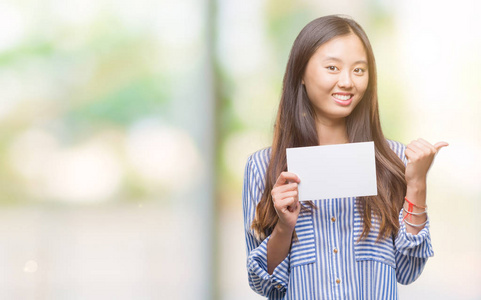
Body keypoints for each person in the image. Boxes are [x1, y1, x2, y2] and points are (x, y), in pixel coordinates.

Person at [242, 15, 448, 299]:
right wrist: (284, 226)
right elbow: (262, 284)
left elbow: (407, 271)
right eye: (332, 67)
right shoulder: (264, 167)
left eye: (359, 70)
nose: (347, 81)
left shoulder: (394, 160)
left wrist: (417, 186)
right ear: (301, 73)